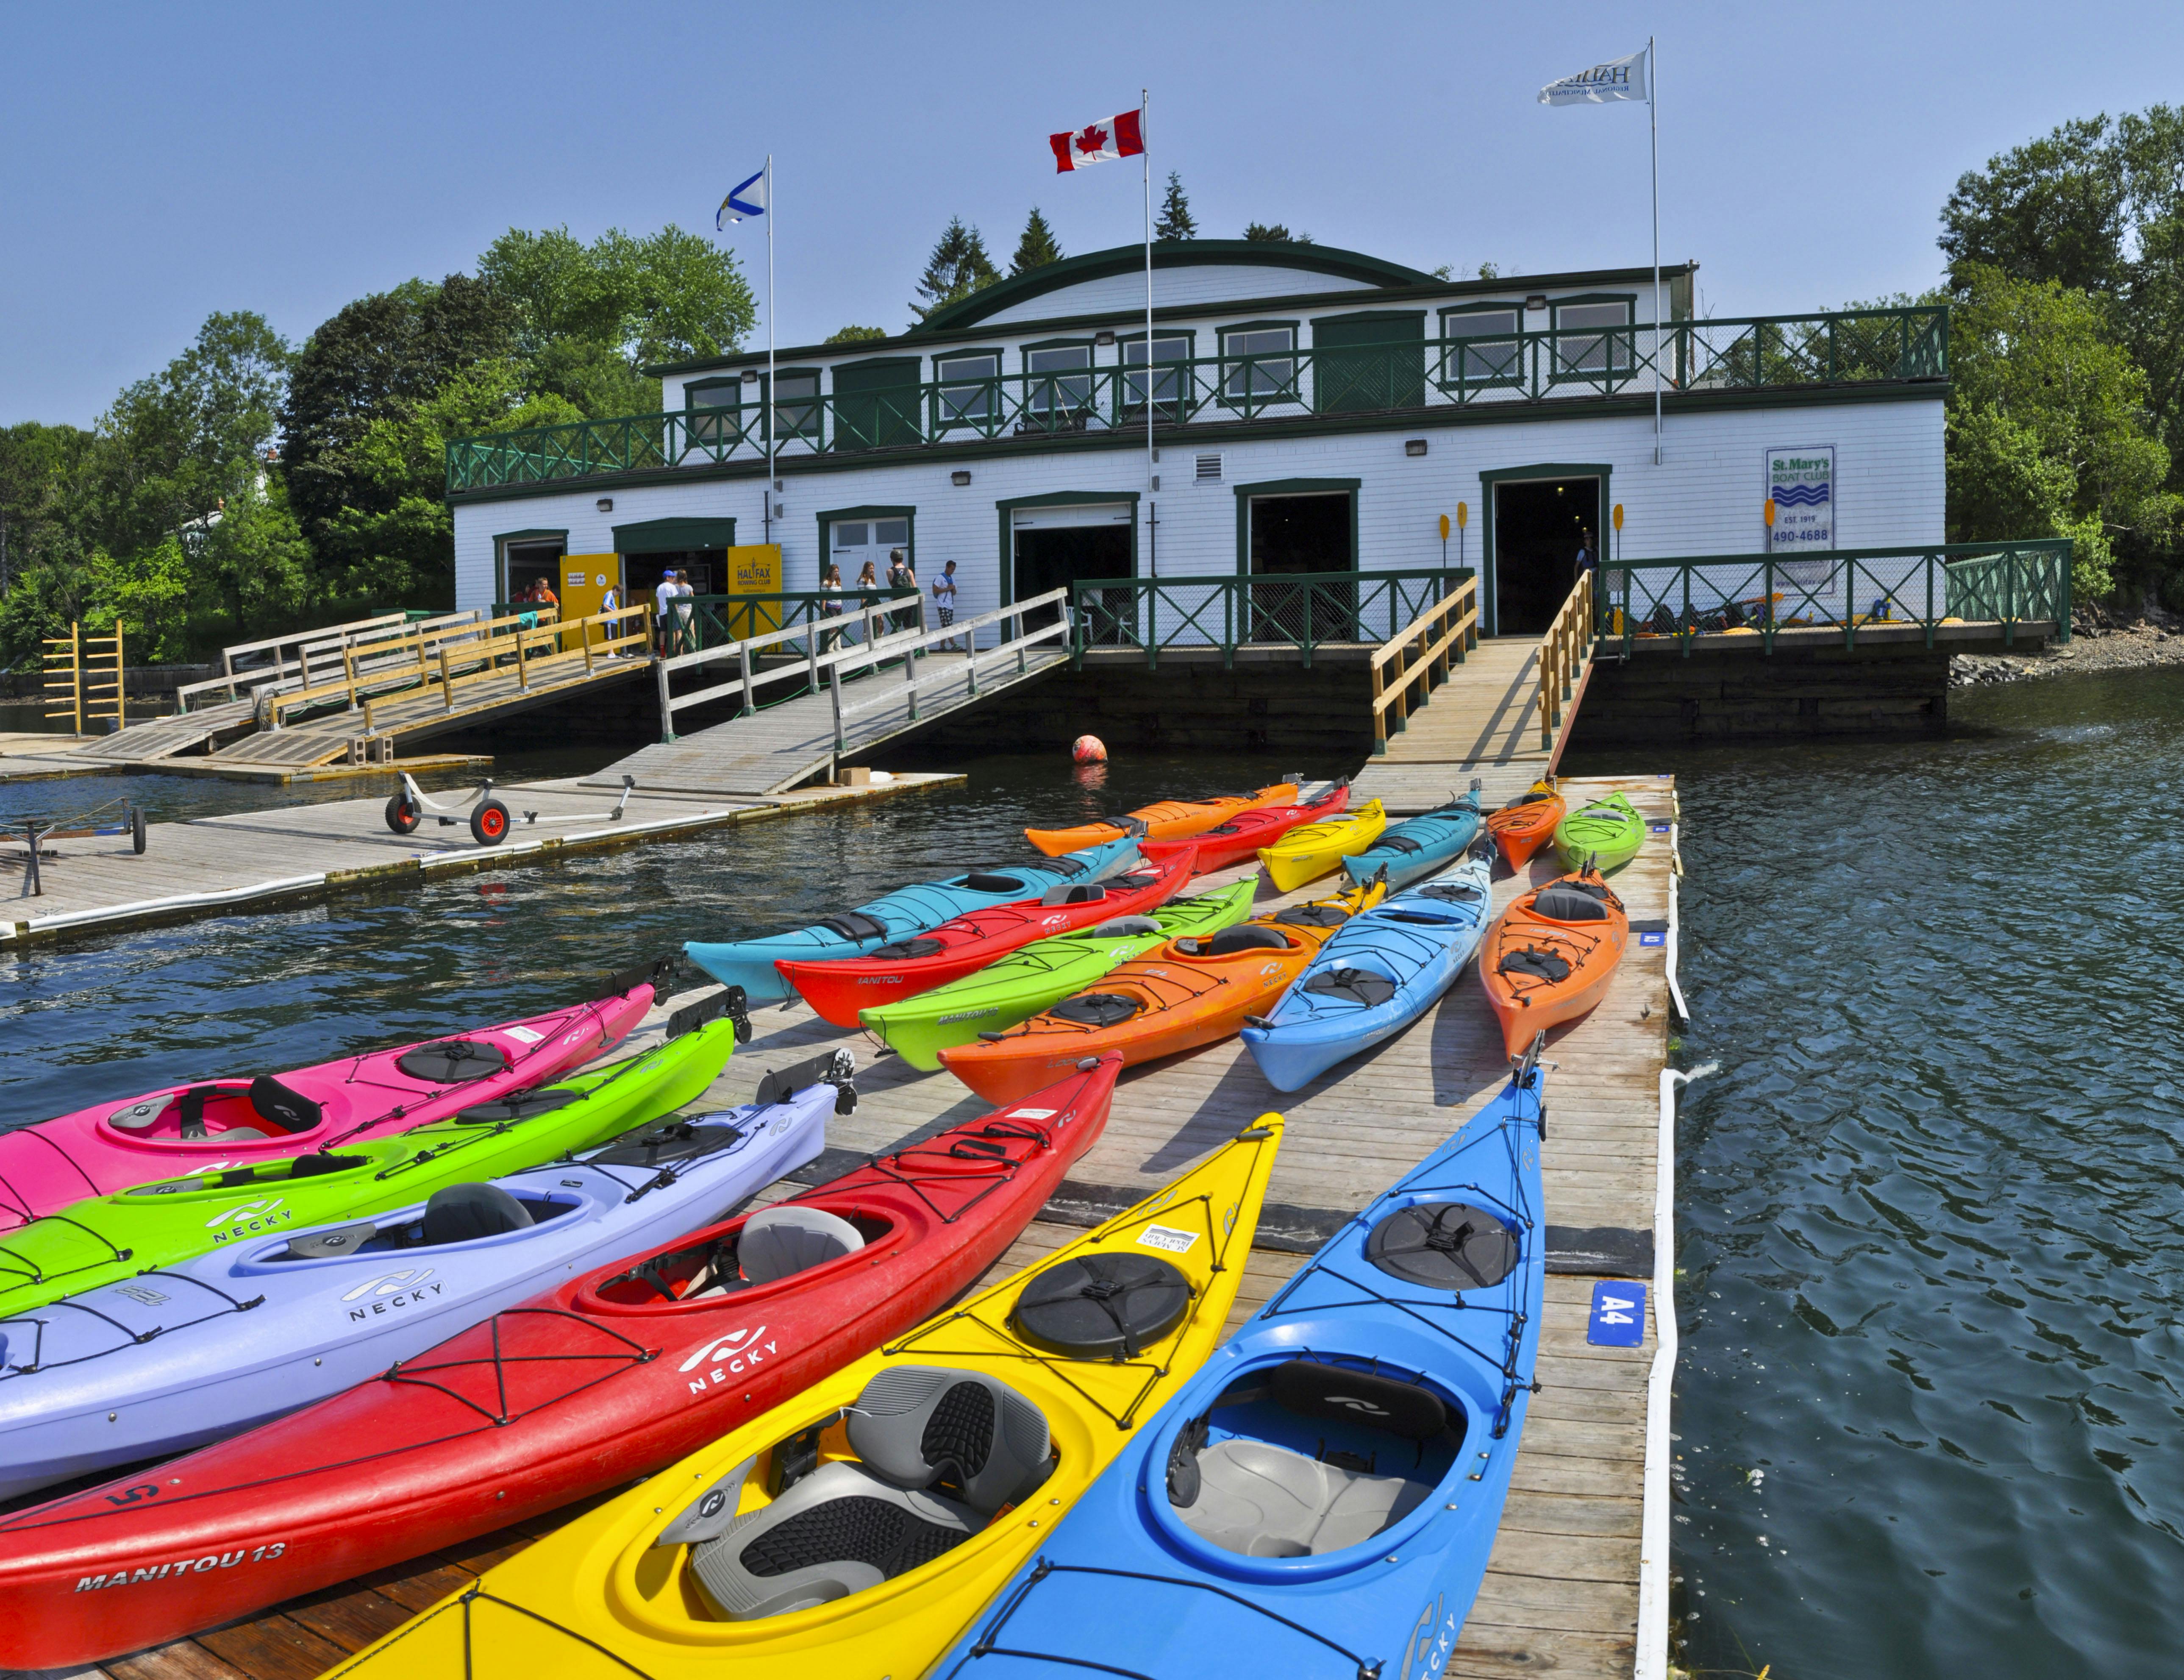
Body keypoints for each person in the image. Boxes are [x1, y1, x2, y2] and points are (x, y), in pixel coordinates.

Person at [886, 548, 917, 635]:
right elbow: (915, 587)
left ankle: (897, 645)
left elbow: (892, 584)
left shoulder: (890, 572)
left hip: (897, 602)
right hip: (908, 603)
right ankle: (909, 646)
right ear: (902, 559)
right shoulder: (909, 572)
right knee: (908, 626)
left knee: (896, 626)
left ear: (892, 559)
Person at [932, 559, 960, 651]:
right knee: (948, 625)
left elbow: (955, 593)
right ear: (947, 567)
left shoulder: (953, 579)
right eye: (952, 569)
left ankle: (942, 646)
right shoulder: (940, 578)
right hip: (942, 605)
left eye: (954, 570)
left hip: (950, 605)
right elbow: (935, 590)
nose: (952, 571)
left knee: (945, 626)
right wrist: (947, 589)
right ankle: (953, 645)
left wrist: (953, 589)